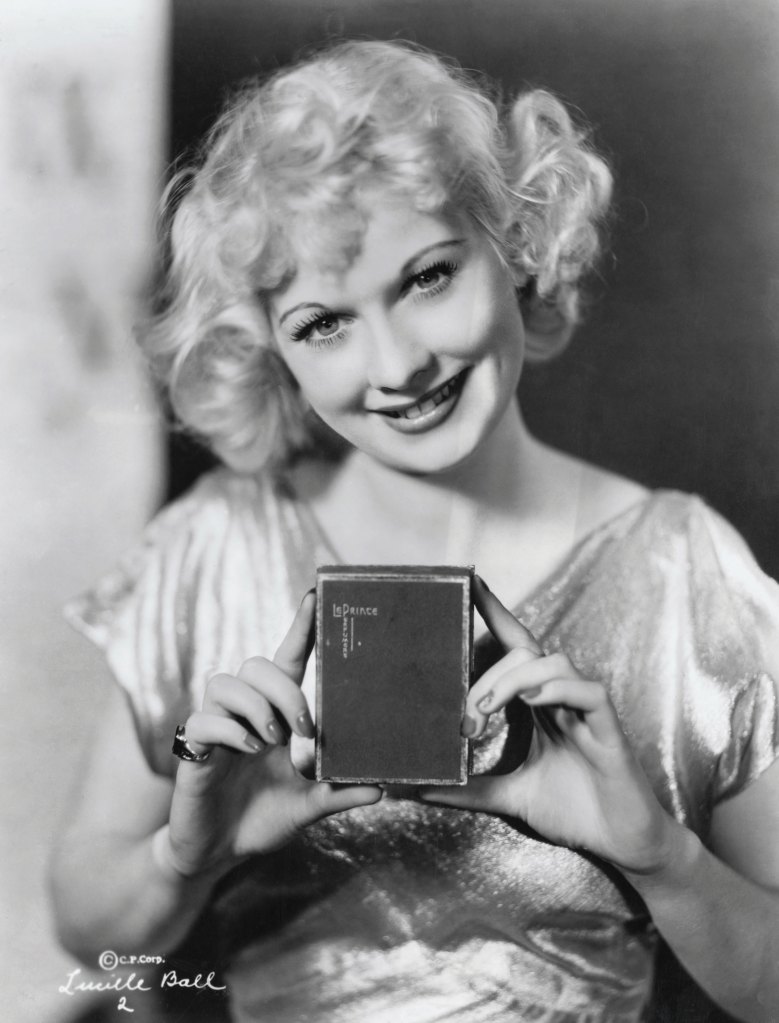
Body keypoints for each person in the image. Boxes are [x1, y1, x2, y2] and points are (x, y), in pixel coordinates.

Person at [50, 39, 779, 1022]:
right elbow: (86, 933)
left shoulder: (683, 570)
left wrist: (662, 856)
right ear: (268, 351)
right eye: (322, 324)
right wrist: (191, 854)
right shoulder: (211, 547)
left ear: (513, 240)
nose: (393, 363)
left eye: (426, 277)